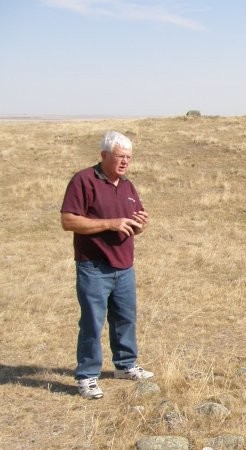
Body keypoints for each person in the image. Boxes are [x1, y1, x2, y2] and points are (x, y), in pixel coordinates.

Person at [60, 131, 154, 399]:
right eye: (119, 156)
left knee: (125, 318)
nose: (125, 162)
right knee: (92, 321)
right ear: (103, 155)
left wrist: (140, 225)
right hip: (94, 266)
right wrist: (110, 223)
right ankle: (87, 375)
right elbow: (69, 221)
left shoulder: (127, 185)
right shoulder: (84, 181)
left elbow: (135, 226)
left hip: (124, 266)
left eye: (129, 157)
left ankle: (125, 366)